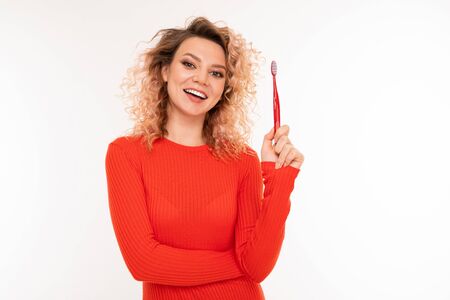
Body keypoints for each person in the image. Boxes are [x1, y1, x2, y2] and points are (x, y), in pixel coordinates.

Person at [105, 16, 305, 300]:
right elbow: (143, 262)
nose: (201, 79)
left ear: (225, 87)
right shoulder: (126, 154)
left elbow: (257, 268)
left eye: (216, 73)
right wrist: (237, 263)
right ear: (164, 70)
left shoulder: (242, 160)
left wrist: (279, 178)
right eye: (189, 64)